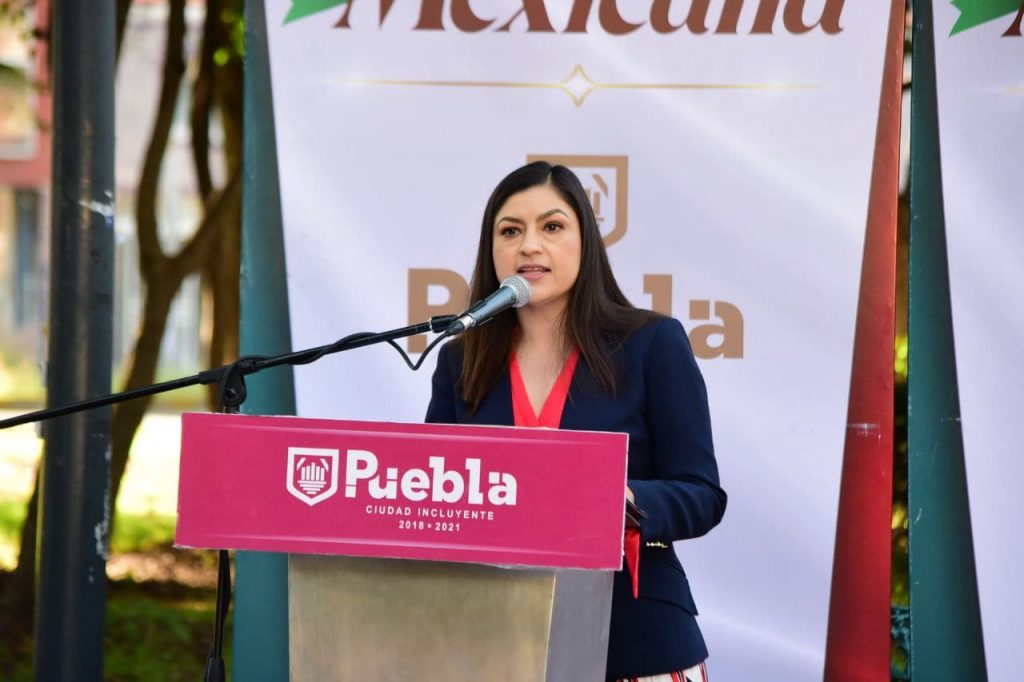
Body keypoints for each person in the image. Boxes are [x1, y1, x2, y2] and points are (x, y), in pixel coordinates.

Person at [425, 161, 726, 682]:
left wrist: (622, 499)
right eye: (510, 231)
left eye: (552, 226)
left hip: (635, 638)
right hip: (494, 642)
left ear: (585, 242)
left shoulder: (651, 343)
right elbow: (433, 492)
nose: (529, 246)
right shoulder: (460, 359)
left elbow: (702, 494)